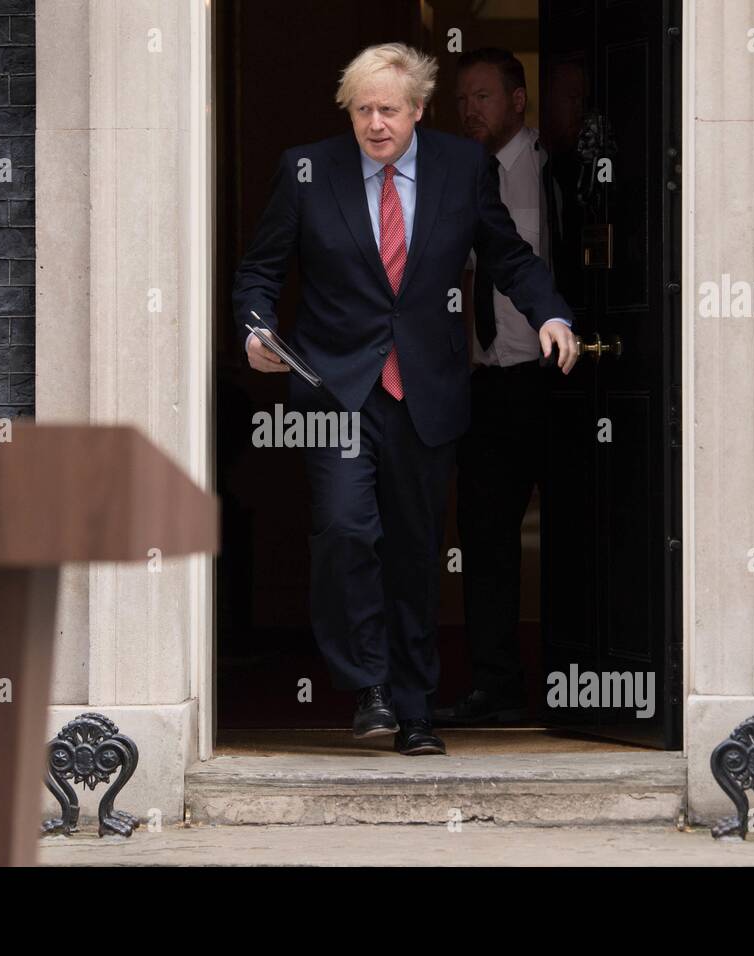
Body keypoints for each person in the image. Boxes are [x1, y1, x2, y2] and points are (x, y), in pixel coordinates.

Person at [232, 42, 576, 756]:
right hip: (336, 388)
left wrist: (550, 313)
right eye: (363, 110)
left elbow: (508, 254)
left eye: (389, 109)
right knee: (346, 529)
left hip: (426, 389)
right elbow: (260, 269)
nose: (376, 124)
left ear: (418, 109)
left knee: (416, 553)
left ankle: (416, 708)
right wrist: (255, 329)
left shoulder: (460, 167)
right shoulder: (308, 169)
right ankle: (371, 685)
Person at [433, 48, 562, 727]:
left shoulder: (555, 172)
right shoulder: (455, 178)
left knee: (574, 532)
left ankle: (579, 684)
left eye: (483, 95)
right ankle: (495, 684)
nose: (470, 109)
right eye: (462, 99)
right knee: (485, 539)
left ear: (518, 100)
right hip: (485, 383)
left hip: (554, 383)